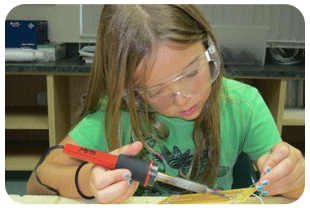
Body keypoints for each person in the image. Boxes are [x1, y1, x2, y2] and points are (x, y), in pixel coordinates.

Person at [27, 5, 305, 203]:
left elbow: (296, 188)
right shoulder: (116, 116)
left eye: (191, 72)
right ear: (130, 91)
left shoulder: (243, 105)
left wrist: (292, 177)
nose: (183, 98)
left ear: (209, 47)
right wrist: (88, 181)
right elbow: (38, 181)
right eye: (156, 90)